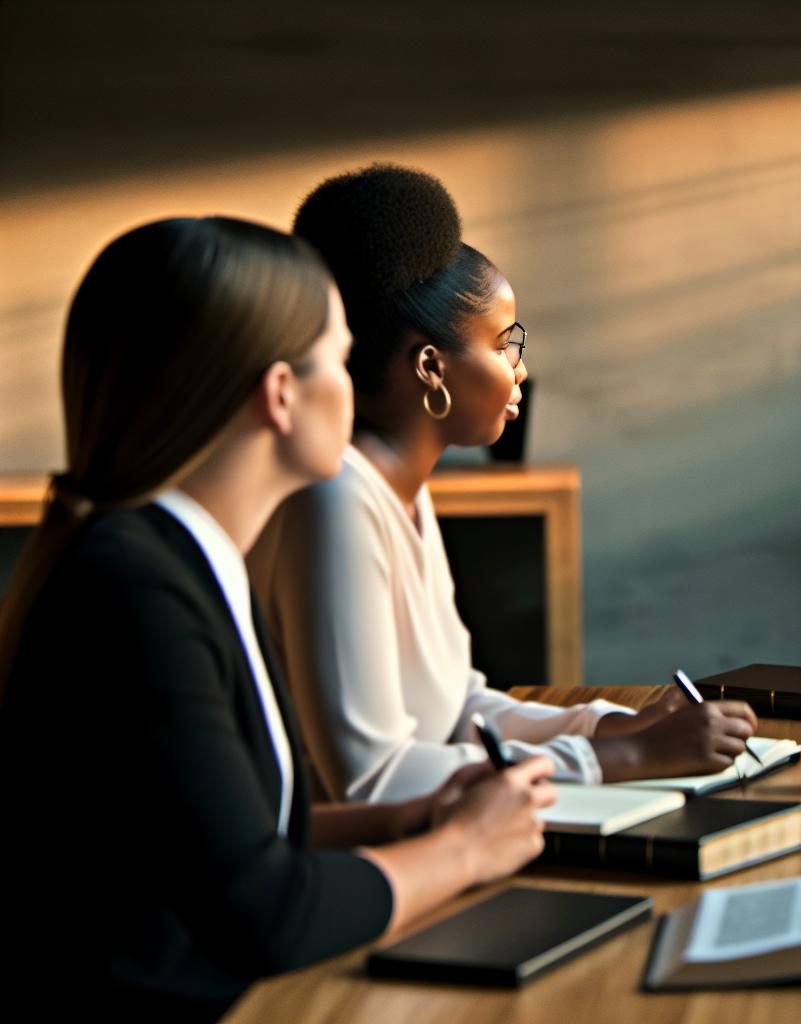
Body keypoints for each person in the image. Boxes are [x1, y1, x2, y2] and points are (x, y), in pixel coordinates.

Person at [0, 217, 555, 1020]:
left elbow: (245, 839)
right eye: (339, 356)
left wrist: (417, 815)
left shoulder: (197, 558)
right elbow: (267, 913)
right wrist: (463, 848)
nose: (359, 380)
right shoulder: (132, 590)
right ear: (281, 394)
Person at [250, 165, 757, 804]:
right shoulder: (336, 503)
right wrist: (622, 756)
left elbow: (458, 707)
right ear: (431, 367)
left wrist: (610, 725)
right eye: (502, 343)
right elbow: (370, 780)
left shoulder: (402, 492)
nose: (518, 370)